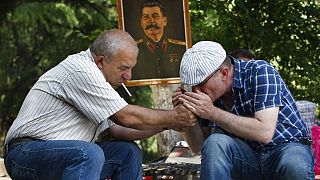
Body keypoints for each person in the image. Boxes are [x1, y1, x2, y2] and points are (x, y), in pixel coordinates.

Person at [3, 29, 196, 180]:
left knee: (127, 152)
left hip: (61, 155)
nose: (128, 76)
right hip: (24, 155)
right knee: (88, 153)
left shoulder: (99, 82)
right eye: (124, 68)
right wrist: (173, 116)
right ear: (101, 61)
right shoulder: (80, 71)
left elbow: (119, 130)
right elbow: (126, 117)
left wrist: (167, 123)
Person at [173, 41, 314, 179]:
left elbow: (264, 132)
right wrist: (185, 118)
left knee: (294, 164)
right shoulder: (209, 96)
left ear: (223, 73)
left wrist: (212, 113)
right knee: (215, 143)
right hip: (248, 159)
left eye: (200, 84)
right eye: (192, 86)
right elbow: (199, 147)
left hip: (285, 148)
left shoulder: (260, 71)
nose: (196, 91)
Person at [132, 0, 187, 80]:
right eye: (146, 17)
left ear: (164, 21)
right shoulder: (132, 51)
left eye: (155, 16)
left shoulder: (181, 48)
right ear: (141, 23)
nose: (150, 20)